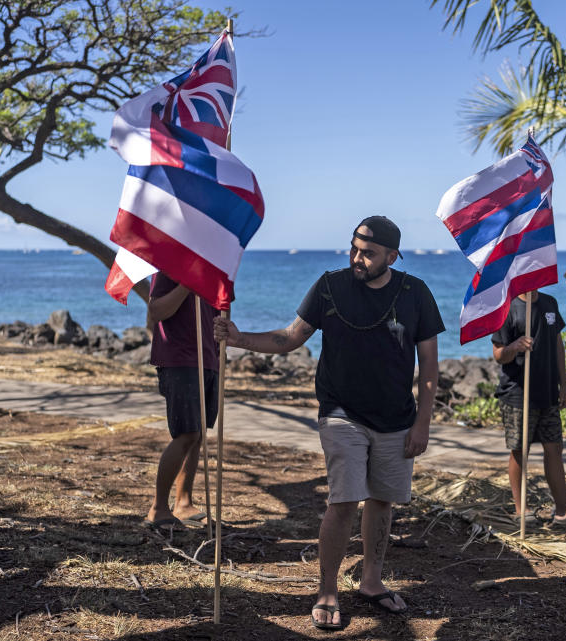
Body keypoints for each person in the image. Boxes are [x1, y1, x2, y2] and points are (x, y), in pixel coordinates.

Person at [214, 216, 444, 631]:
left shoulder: (415, 293)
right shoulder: (329, 286)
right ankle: (327, 590)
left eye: (368, 253)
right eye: (354, 248)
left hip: (396, 419)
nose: (358, 258)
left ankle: (371, 581)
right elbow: (291, 337)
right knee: (343, 500)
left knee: (381, 500)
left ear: (392, 256)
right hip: (340, 414)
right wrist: (238, 337)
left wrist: (423, 422)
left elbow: (429, 363)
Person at [491, 289, 566, 526]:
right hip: (518, 394)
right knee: (520, 451)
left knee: (554, 448)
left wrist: (563, 384)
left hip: (548, 392)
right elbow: (499, 354)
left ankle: (563, 508)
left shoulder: (550, 302)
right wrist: (515, 346)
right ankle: (522, 510)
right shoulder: (507, 306)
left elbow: (558, 344)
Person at [145, 273, 218, 530]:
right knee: (186, 433)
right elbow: (156, 311)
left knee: (198, 434)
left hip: (208, 358)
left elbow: (218, 311)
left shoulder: (214, 265)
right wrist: (187, 283)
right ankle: (158, 508)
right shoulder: (170, 265)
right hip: (179, 359)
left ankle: (183, 502)